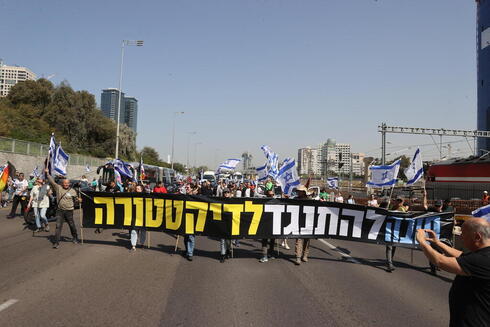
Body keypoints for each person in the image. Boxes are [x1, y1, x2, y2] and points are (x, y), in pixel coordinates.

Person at [416, 219, 490, 326]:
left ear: (477, 237)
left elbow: (440, 261)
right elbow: (462, 256)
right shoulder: (482, 254)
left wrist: (422, 242)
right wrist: (438, 243)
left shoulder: (483, 259)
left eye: (463, 234)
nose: (460, 237)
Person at [45, 169, 80, 249]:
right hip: (60, 211)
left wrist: (79, 200)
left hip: (69, 211)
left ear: (69, 184)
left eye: (67, 183)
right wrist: (47, 174)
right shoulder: (58, 188)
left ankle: (75, 237)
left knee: (72, 225)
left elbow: (76, 200)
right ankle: (56, 242)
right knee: (58, 226)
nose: (66, 184)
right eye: (65, 183)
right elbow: (52, 181)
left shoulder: (73, 191)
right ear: (62, 183)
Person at [294, 185, 311, 265]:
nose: (298, 192)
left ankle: (305, 255)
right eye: (298, 191)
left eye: (300, 191)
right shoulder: (295, 200)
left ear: (304, 192)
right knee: (299, 240)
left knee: (307, 241)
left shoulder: (309, 200)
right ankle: (298, 257)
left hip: (308, 223)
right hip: (298, 223)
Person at [259, 189, 276, 263]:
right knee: (265, 240)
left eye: (272, 195)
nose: (271, 196)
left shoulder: (276, 202)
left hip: (274, 224)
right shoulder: (263, 201)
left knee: (272, 240)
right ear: (266, 195)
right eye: (269, 195)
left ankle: (271, 253)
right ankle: (264, 255)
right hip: (265, 224)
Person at [130, 184, 147, 251]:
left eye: (138, 189)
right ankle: (133, 245)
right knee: (134, 230)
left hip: (143, 216)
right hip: (135, 216)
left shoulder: (146, 196)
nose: (137, 190)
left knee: (143, 231)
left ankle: (142, 243)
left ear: (142, 189)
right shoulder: (133, 195)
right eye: (136, 188)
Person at [219, 188, 233, 263]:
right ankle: (222, 254)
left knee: (228, 240)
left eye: (227, 192)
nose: (226, 194)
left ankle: (228, 250)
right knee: (222, 240)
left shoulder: (233, 201)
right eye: (225, 192)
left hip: (230, 223)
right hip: (222, 222)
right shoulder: (220, 201)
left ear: (230, 193)